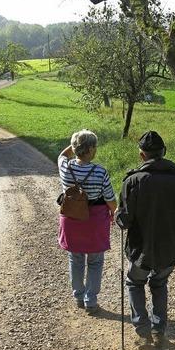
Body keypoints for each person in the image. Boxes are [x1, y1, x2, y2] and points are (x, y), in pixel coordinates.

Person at [116, 131, 175, 347]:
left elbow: (124, 220)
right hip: (170, 247)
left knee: (134, 282)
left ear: (142, 156)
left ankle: (143, 331)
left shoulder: (133, 181)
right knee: (159, 283)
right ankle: (159, 330)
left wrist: (118, 215)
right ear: (164, 153)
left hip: (140, 249)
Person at [58, 129, 117, 315]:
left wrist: (75, 144)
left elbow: (62, 154)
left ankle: (78, 296)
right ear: (90, 149)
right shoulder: (100, 171)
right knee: (95, 261)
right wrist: (114, 211)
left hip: (72, 218)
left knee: (75, 259)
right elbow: (109, 198)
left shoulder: (65, 167)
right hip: (95, 220)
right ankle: (90, 300)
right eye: (95, 147)